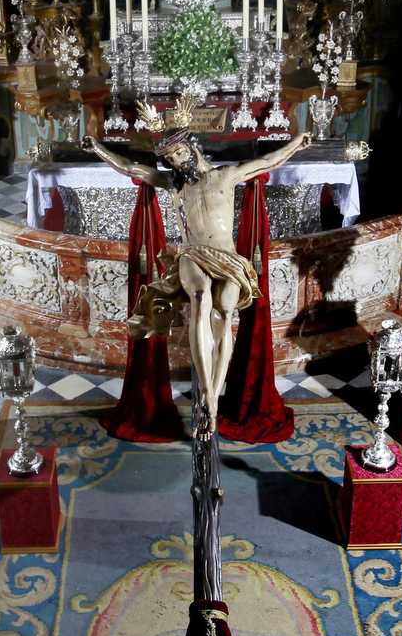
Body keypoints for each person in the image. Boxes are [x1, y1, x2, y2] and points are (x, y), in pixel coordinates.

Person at [80, 128, 314, 430]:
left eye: (179, 154)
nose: (177, 162)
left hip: (228, 259)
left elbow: (268, 161)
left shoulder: (226, 176)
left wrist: (297, 142)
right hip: (193, 256)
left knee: (226, 314)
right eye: (170, 159)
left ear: (193, 149)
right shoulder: (173, 185)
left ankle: (213, 400)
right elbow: (129, 168)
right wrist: (97, 148)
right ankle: (206, 392)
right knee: (202, 299)